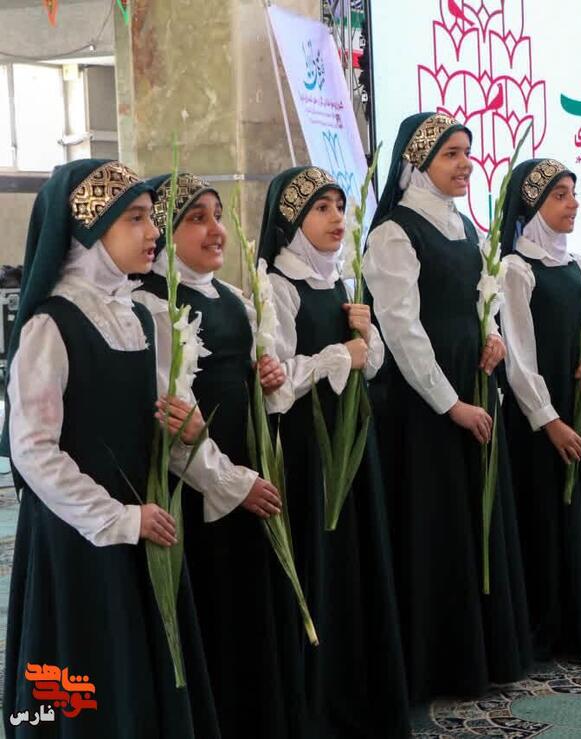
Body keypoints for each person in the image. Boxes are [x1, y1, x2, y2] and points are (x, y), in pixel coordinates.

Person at [3, 159, 220, 737]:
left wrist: (189, 434)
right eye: (136, 218)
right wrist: (118, 519)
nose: (153, 233)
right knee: (89, 674)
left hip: (143, 522)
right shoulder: (51, 326)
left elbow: (154, 422)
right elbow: (33, 450)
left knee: (141, 670)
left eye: (151, 218)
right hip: (80, 534)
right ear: (91, 227)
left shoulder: (139, 316)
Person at [365, 112, 532, 701]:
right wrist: (449, 404)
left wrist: (493, 337)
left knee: (475, 518)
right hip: (424, 405)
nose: (465, 164)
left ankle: (483, 652)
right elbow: (402, 330)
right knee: (438, 525)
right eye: (451, 154)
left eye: (467, 152)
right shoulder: (394, 234)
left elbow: (480, 300)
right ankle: (441, 665)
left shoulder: (462, 225)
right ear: (417, 162)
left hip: (472, 383)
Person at [133, 173, 306, 738]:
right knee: (215, 606)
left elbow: (264, 394)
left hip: (247, 472)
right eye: (196, 219)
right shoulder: (152, 306)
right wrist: (231, 483)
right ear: (163, 232)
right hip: (200, 487)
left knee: (251, 607)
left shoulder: (232, 298)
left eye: (217, 216)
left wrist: (268, 378)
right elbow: (170, 422)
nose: (215, 230)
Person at [258, 165, 409, 736]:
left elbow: (373, 365)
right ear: (293, 218)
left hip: (350, 447)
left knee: (352, 563)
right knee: (319, 562)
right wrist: (338, 356)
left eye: (340, 208)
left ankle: (356, 689)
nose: (336, 219)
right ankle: (319, 700)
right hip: (307, 450)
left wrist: (363, 337)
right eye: (321, 208)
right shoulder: (277, 285)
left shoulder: (341, 283)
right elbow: (275, 385)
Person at [497, 158, 581, 661]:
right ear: (532, 203)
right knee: (544, 515)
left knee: (577, 511)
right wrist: (548, 421)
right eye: (560, 195)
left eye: (573, 193)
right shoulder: (515, 269)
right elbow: (518, 359)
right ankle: (548, 626)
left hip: (578, 405)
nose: (573, 204)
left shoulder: (578, 265)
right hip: (538, 419)